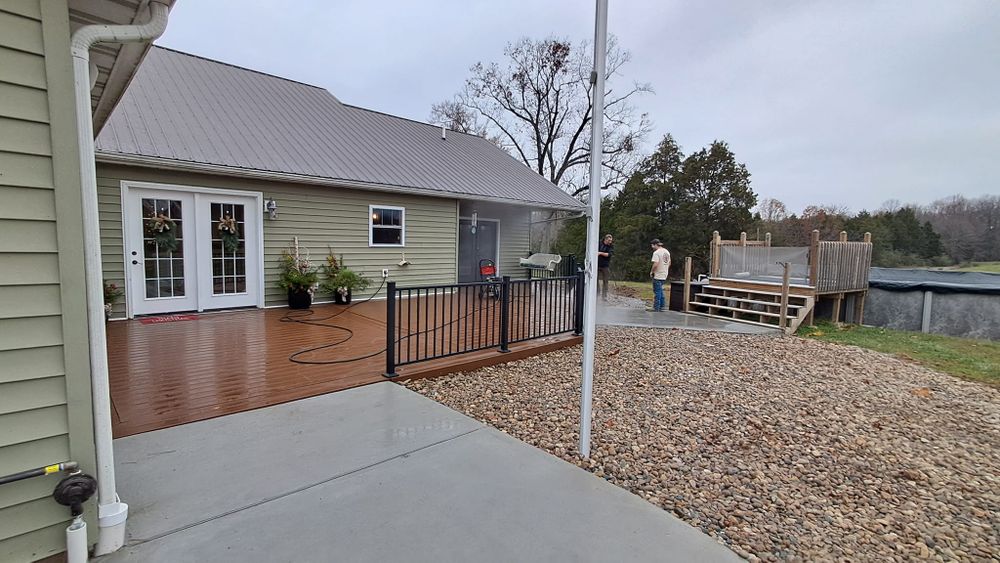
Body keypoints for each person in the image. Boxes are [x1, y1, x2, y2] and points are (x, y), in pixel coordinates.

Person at [649, 239, 671, 312]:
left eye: (652, 245)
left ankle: (656, 307)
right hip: (664, 274)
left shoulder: (656, 253)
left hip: (658, 275)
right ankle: (662, 306)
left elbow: (655, 264)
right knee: (660, 290)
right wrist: (665, 269)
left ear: (655, 245)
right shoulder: (666, 251)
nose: (652, 247)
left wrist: (652, 271)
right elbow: (669, 262)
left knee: (657, 292)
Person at [597, 234, 614, 301]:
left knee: (605, 281)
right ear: (605, 239)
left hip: (605, 265)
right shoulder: (599, 243)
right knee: (595, 280)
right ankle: (597, 293)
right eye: (609, 240)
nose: (610, 242)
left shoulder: (611, 246)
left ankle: (604, 296)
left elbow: (608, 254)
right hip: (597, 264)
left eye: (611, 240)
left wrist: (600, 253)